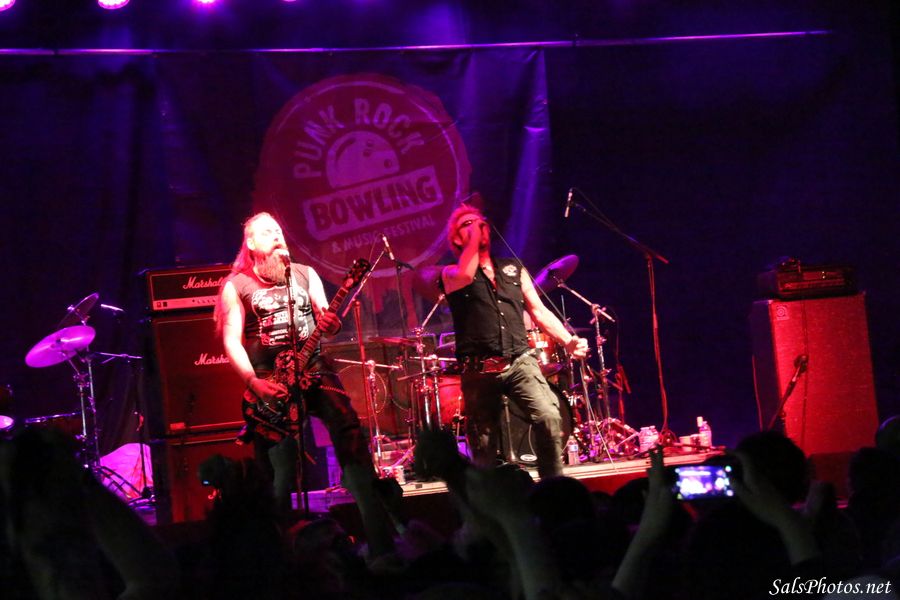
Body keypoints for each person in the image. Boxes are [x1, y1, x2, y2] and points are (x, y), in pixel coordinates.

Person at [215, 212, 394, 556]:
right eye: (268, 232)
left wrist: (331, 322)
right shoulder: (236, 285)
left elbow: (327, 318)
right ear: (251, 243)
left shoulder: (304, 274)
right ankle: (277, 550)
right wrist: (253, 382)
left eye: (279, 230)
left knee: (347, 426)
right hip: (270, 380)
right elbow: (231, 341)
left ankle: (377, 532)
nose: (277, 235)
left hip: (314, 367)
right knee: (278, 467)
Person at [440, 202, 589, 478]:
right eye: (467, 225)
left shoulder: (513, 268)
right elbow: (465, 274)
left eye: (480, 222)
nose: (477, 227)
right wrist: (473, 238)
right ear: (456, 239)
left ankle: (552, 486)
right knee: (484, 442)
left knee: (549, 416)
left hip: (519, 361)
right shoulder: (450, 273)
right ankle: (490, 498)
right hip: (479, 370)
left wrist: (569, 341)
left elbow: (539, 311)